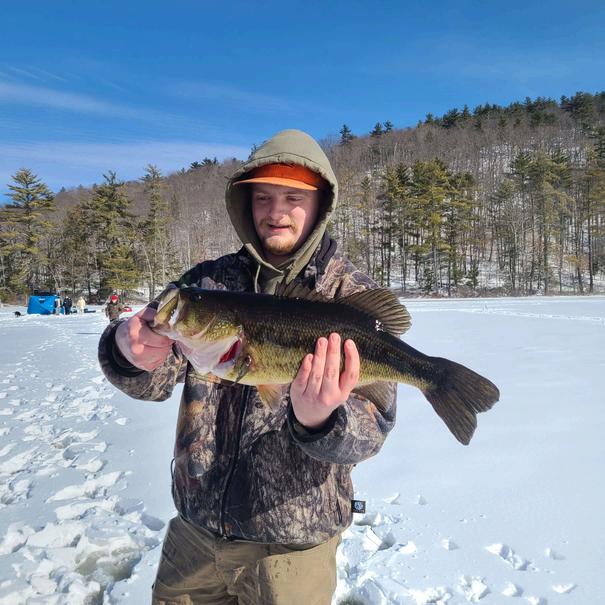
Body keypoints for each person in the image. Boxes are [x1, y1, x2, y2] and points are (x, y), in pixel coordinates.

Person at [98, 129, 397, 605]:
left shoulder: (350, 295)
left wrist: (320, 421)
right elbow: (156, 379)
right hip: (196, 534)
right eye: (262, 197)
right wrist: (125, 352)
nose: (276, 212)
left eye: (293, 198)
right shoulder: (206, 286)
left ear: (320, 205)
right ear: (245, 204)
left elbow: (372, 430)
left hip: (291, 550)